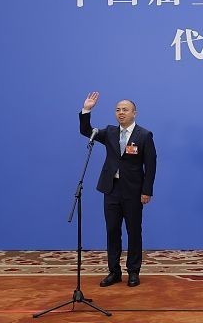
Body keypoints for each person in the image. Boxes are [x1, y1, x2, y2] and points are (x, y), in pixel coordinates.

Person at [79, 92, 157, 287]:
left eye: (125, 110)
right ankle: (114, 271)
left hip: (133, 191)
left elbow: (151, 165)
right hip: (111, 189)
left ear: (134, 113)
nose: (121, 113)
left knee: (133, 231)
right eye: (118, 110)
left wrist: (147, 190)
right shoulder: (110, 132)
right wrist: (86, 110)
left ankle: (133, 271)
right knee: (112, 231)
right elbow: (86, 131)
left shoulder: (144, 135)